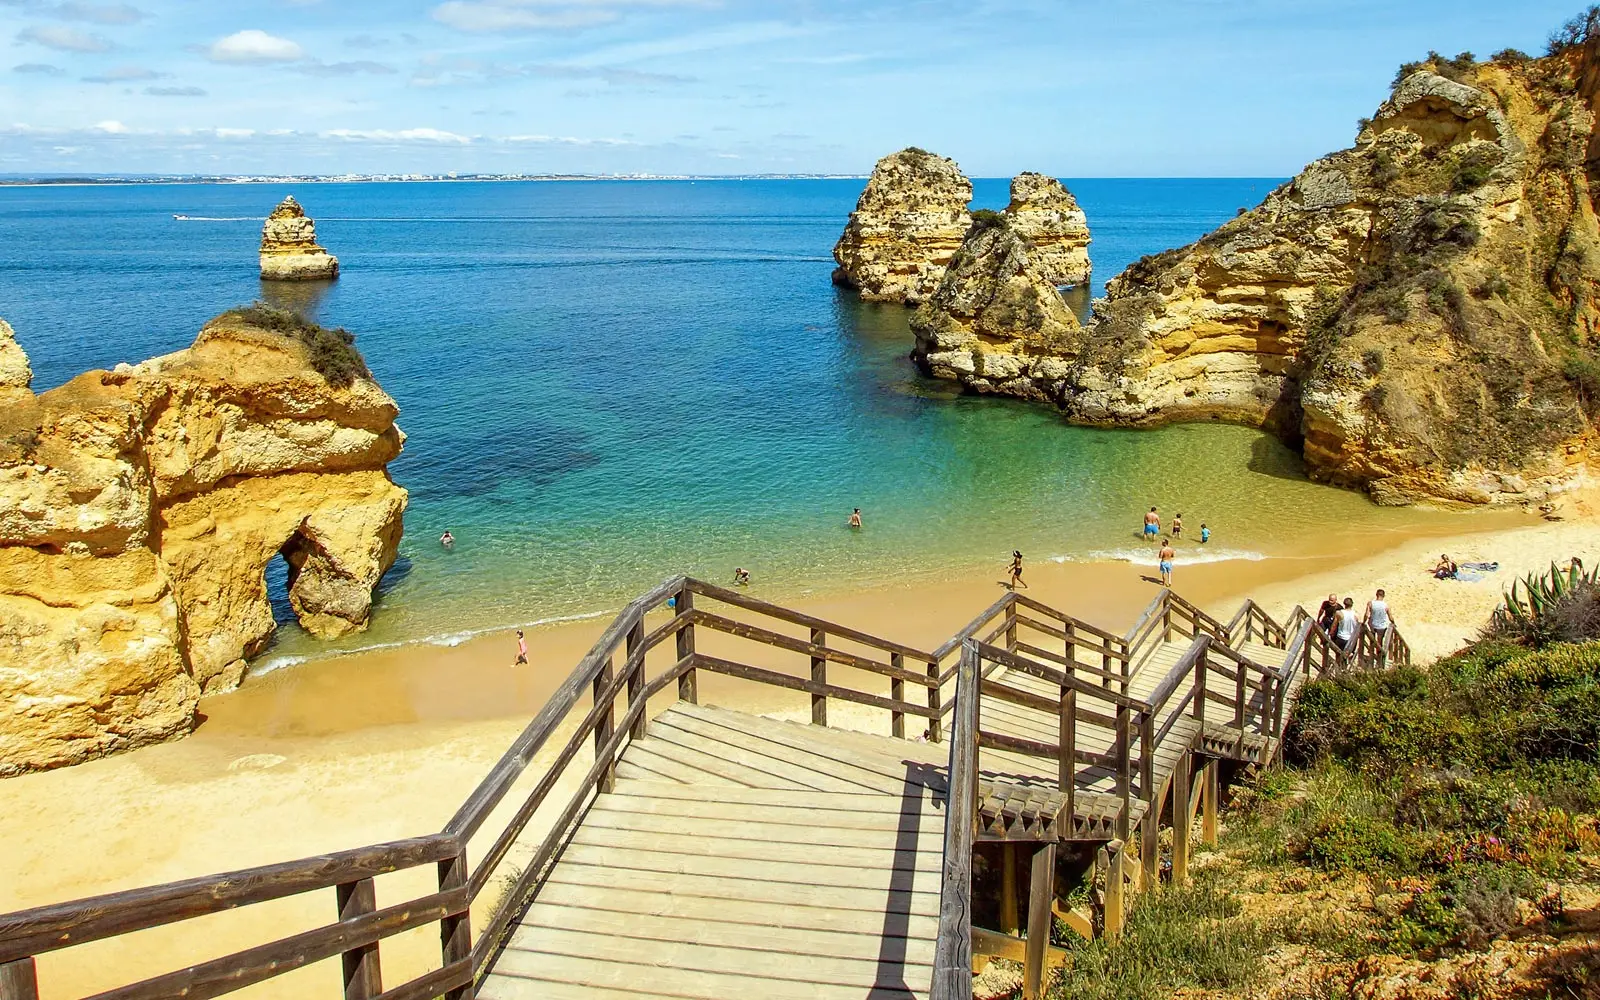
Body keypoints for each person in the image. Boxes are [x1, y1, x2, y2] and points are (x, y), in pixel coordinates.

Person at [1365, 589, 1392, 662]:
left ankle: (1371, 655)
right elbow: (1390, 616)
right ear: (1383, 596)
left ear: (1376, 595)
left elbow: (1367, 615)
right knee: (1379, 642)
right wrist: (1393, 622)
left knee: (1372, 640)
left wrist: (1364, 622)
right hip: (1382, 626)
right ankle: (1379, 658)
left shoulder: (1370, 603)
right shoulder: (1386, 605)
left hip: (1372, 625)